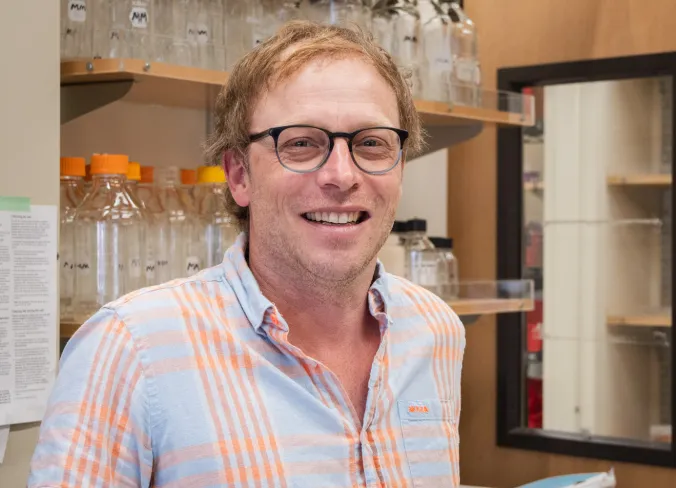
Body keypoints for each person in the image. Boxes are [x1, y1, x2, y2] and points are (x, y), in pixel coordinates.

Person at [29, 21, 465, 487]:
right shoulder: (130, 349)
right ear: (238, 176)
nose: (342, 175)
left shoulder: (435, 331)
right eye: (301, 143)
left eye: (372, 143)